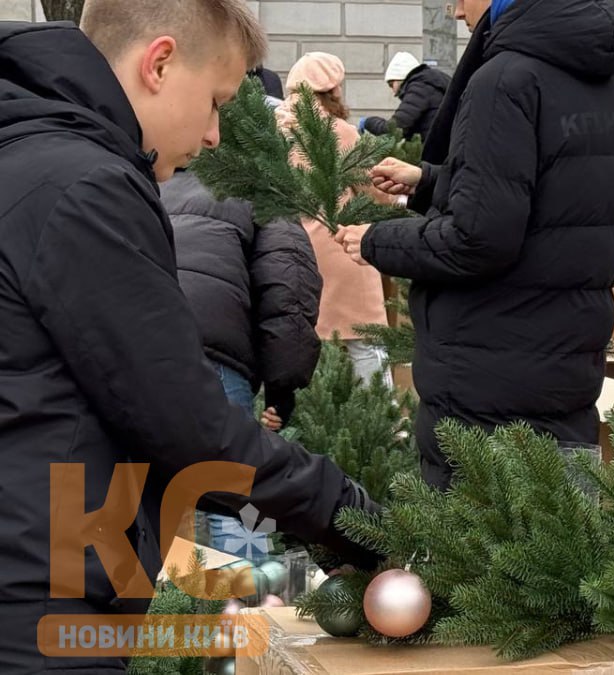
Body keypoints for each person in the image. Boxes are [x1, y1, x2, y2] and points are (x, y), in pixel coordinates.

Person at [0, 3, 379, 671]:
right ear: (160, 63)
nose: (213, 135)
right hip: (39, 597)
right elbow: (190, 427)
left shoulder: (27, 155)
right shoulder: (85, 186)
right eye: (215, 102)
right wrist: (358, 519)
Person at [334, 0, 614, 489]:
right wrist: (429, 181)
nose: (455, 11)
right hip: (564, 368)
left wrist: (376, 239)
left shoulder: (503, 80)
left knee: (477, 536)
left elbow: (477, 240)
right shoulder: (595, 75)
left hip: (486, 382)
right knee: (561, 530)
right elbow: (547, 200)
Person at [162, 155, 323, 560]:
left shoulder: (145, 182)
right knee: (235, 488)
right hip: (217, 355)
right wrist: (281, 392)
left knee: (140, 488)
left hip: (143, 349)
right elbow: (289, 290)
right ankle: (247, 593)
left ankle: (157, 591)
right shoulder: (260, 189)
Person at [281, 52, 393, 388]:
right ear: (332, 91)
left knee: (311, 348)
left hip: (294, 253)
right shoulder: (341, 132)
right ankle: (382, 414)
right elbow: (374, 190)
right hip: (343, 248)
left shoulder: (277, 132)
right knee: (366, 344)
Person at [359, 51, 451, 142]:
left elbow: (393, 130)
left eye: (391, 84)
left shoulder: (419, 89)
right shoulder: (432, 84)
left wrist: (368, 122)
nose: (393, 92)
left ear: (400, 78)